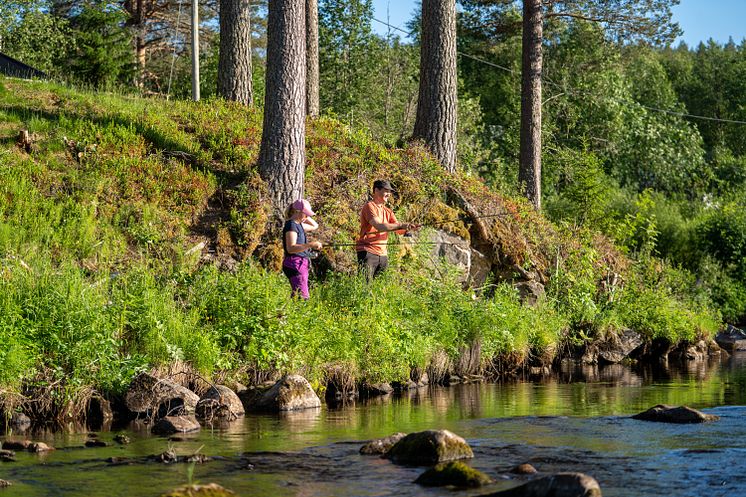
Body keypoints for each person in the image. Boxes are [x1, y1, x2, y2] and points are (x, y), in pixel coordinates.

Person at [355, 179, 419, 280]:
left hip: (383, 255)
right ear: (376, 190)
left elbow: (398, 229)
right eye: (386, 191)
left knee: (378, 289)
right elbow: (380, 226)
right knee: (365, 286)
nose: (389, 194)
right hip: (368, 252)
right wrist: (402, 225)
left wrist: (409, 228)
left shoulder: (388, 211)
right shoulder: (369, 207)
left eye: (390, 192)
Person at [282, 199, 322, 299]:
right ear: (297, 212)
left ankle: (288, 313)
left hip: (300, 263)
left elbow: (315, 225)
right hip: (294, 263)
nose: (307, 217)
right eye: (305, 214)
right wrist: (311, 245)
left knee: (298, 296)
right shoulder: (291, 225)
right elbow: (291, 248)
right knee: (302, 298)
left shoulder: (299, 225)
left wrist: (305, 216)